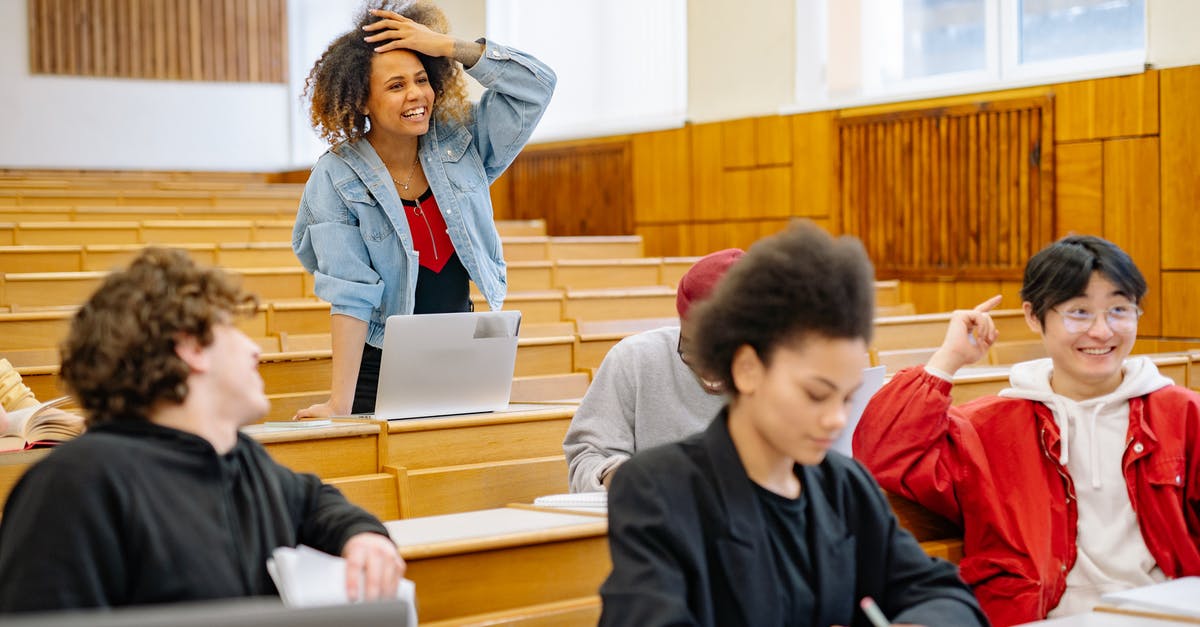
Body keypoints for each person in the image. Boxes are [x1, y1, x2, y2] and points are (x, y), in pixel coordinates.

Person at [600, 222, 986, 627]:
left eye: (846, 398)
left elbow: (944, 595)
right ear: (747, 369)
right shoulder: (659, 489)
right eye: (816, 394)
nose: (837, 420)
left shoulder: (844, 485)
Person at [0, 248, 404, 612]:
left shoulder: (239, 457)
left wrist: (361, 535)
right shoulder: (75, 484)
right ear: (191, 347)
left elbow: (312, 501)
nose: (255, 350)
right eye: (231, 330)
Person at [854, 234, 1200, 626]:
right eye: (1079, 312)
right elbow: (884, 454)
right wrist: (948, 359)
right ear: (1034, 316)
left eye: (1119, 310)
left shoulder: (1181, 415)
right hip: (1036, 618)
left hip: (1165, 614)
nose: (1102, 331)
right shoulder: (990, 428)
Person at [292, 1, 555, 417]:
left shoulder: (461, 141)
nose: (416, 94)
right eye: (396, 86)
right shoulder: (335, 176)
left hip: (464, 356)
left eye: (421, 79)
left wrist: (448, 46)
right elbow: (350, 296)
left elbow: (536, 87)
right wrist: (338, 404)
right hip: (380, 370)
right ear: (362, 101)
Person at [563, 248, 743, 492]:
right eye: (690, 347)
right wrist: (623, 477)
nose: (707, 367)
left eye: (721, 354)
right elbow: (587, 457)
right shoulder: (633, 359)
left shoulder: (779, 377)